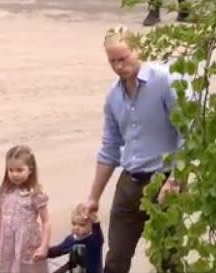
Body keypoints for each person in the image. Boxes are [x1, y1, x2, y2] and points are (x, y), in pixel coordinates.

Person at [83, 25, 183, 273]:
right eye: (112, 61)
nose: (118, 66)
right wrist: (93, 197)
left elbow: (188, 134)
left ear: (137, 50)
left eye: (123, 58)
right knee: (115, 259)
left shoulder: (164, 82)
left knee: (167, 259)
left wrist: (176, 180)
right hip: (129, 183)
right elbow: (109, 149)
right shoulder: (113, 97)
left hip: (163, 180)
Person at [0, 145, 51, 273]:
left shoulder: (35, 194)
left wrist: (44, 246)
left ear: (30, 170)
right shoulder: (4, 192)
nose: (14, 174)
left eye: (19, 170)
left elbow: (46, 221)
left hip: (28, 244)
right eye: (11, 170)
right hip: (8, 243)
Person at [47, 203, 104, 273]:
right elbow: (59, 250)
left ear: (91, 225)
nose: (76, 228)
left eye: (82, 225)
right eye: (74, 224)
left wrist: (95, 220)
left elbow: (96, 226)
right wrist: (45, 252)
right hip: (77, 269)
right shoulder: (71, 239)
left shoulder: (95, 239)